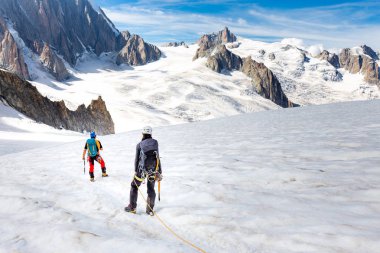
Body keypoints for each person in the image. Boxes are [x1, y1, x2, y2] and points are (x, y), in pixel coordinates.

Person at [125, 126, 162, 215]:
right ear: (150, 133)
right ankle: (150, 210)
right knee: (151, 189)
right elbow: (157, 157)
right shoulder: (155, 143)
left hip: (141, 171)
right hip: (153, 170)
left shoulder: (139, 145)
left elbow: (137, 159)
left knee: (134, 186)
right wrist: (159, 171)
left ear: (143, 134)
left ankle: (132, 207)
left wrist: (136, 171)